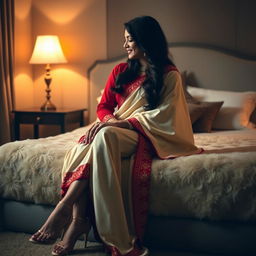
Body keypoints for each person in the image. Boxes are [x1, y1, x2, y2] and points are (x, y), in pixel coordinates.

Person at [29, 16, 202, 256]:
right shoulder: (121, 71)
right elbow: (104, 107)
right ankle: (78, 219)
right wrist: (110, 121)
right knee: (83, 145)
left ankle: (65, 207)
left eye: (130, 39)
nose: (125, 45)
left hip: (145, 134)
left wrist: (121, 124)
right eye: (125, 40)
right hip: (115, 129)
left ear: (145, 41)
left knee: (105, 136)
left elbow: (166, 117)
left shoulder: (169, 75)